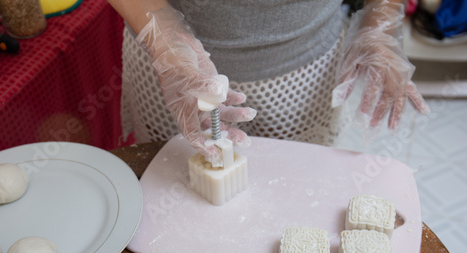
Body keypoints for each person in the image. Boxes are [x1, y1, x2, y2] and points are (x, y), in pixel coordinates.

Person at [107, 0, 429, 166]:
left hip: (307, 75)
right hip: (170, 66)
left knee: (293, 201)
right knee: (178, 193)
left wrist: (381, 20)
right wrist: (162, 40)